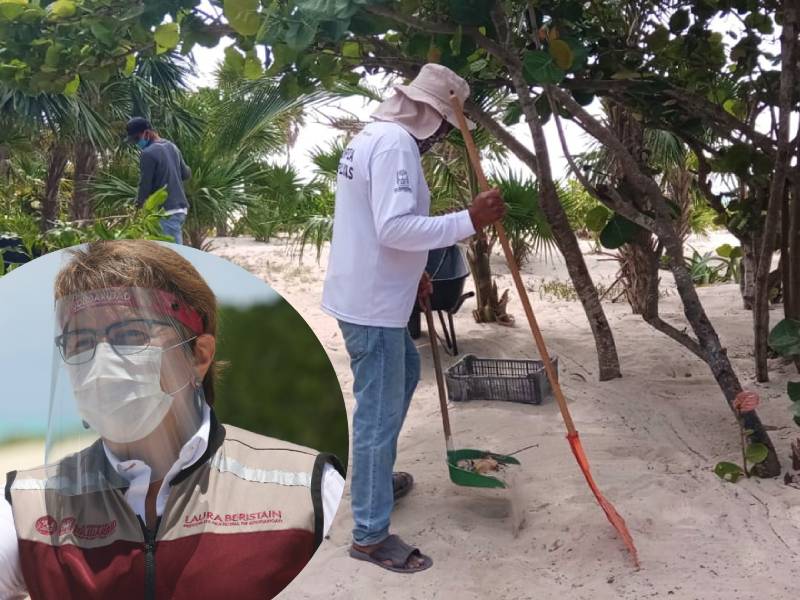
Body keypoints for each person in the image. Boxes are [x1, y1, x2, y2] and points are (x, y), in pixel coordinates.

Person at [1, 240, 345, 600]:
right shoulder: (25, 506)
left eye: (130, 335)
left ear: (199, 356)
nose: (101, 365)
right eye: (80, 342)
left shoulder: (307, 491)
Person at [321, 63, 506, 573]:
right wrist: (470, 220)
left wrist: (415, 274)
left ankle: (374, 482)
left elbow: (370, 223)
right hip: (373, 306)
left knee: (399, 382)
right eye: (445, 126)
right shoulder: (397, 144)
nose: (444, 136)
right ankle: (369, 535)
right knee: (378, 415)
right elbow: (395, 226)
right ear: (429, 115)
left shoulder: (370, 137)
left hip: (373, 293)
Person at [126, 117, 192, 245]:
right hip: (180, 209)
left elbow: (145, 185)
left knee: (173, 256)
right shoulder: (172, 147)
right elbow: (186, 174)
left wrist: (137, 206)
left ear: (147, 133)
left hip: (165, 212)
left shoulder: (147, 153)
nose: (136, 143)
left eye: (136, 139)